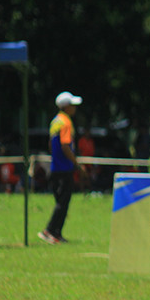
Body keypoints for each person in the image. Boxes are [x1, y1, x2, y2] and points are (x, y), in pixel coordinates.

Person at [39, 91, 83, 244]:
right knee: (63, 202)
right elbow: (65, 146)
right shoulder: (66, 122)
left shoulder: (55, 121)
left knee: (61, 201)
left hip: (56, 167)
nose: (75, 108)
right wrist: (76, 163)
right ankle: (49, 230)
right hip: (65, 168)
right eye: (72, 105)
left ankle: (57, 233)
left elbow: (51, 145)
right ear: (66, 107)